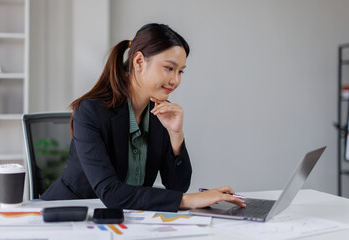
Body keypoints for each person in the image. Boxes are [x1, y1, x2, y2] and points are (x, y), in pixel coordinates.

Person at [41, 23, 246, 212]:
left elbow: (177, 186)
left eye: (181, 71)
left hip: (127, 218)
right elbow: (110, 193)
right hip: (69, 215)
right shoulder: (90, 111)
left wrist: (176, 135)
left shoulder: (158, 113)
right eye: (169, 68)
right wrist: (189, 200)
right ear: (139, 61)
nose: (175, 80)